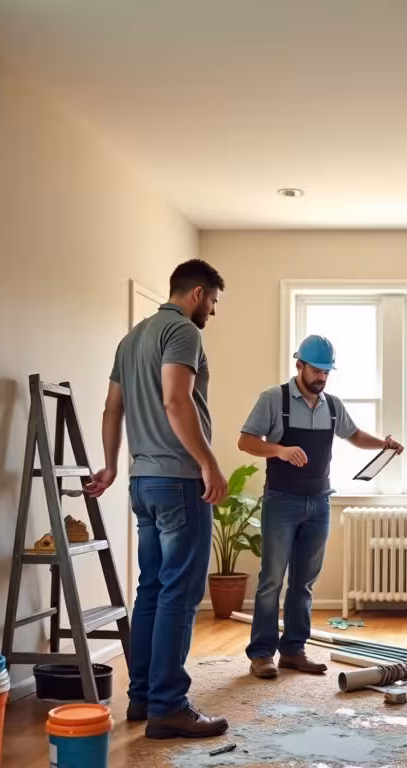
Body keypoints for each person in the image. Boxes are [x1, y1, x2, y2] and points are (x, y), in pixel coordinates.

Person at [84, 259, 229, 739]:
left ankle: (143, 697)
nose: (211, 310)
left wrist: (108, 464)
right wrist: (207, 462)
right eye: (211, 301)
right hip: (179, 481)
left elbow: (112, 407)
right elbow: (175, 400)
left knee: (151, 589)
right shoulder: (183, 332)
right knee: (179, 595)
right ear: (195, 294)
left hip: (141, 482)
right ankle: (169, 705)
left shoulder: (131, 340)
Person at [238, 335, 403, 678]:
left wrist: (383, 443)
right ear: (299, 365)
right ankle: (262, 654)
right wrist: (279, 450)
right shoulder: (274, 399)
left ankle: (294, 650)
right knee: (272, 580)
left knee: (304, 583)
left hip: (319, 502)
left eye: (327, 372)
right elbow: (246, 441)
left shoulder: (332, 405)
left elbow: (354, 435)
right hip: (281, 501)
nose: (322, 378)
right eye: (316, 370)